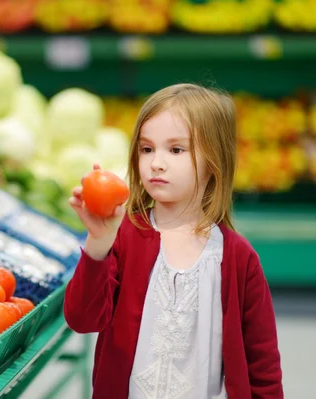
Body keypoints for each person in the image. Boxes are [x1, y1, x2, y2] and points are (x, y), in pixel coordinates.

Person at [64, 83, 283, 399]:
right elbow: (82, 319)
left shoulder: (236, 257)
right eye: (147, 148)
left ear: (214, 160)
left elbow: (262, 365)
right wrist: (98, 243)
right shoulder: (125, 235)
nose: (156, 163)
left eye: (176, 150)